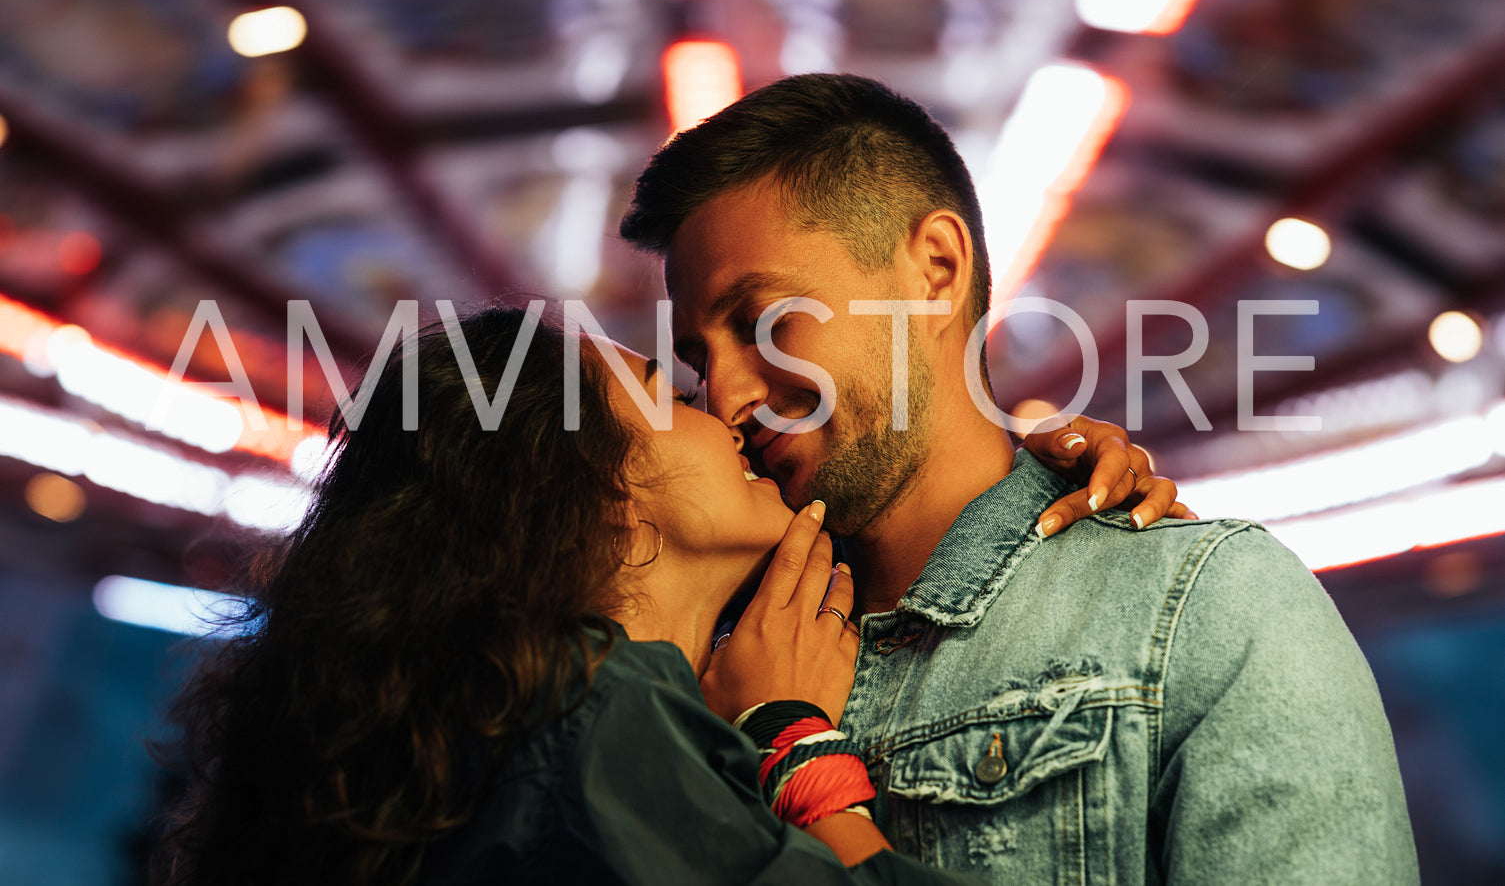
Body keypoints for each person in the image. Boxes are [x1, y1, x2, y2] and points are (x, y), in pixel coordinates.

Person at [620, 72, 1420, 884]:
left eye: (765, 324)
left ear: (934, 267)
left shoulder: (1199, 604)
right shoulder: (702, 663)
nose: (724, 396)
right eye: (698, 359)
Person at [152, 304, 1173, 886]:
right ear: (589, 489)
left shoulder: (517, 718)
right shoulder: (588, 717)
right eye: (669, 393)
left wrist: (1013, 476)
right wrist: (796, 742)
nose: (725, 406)